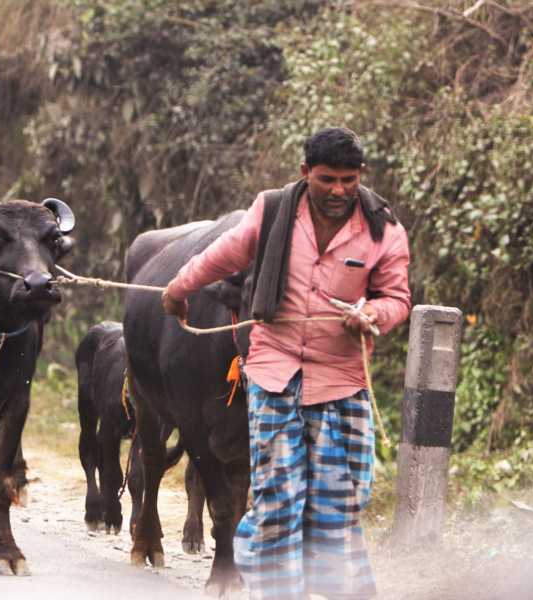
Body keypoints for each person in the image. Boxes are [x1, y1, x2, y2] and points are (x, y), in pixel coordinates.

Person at [162, 127, 411, 599]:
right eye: (327, 179)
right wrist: (179, 288)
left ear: (360, 176)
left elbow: (397, 296)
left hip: (341, 379)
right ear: (305, 174)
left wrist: (374, 313)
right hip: (274, 373)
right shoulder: (273, 210)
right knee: (279, 496)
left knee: (344, 498)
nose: (338, 190)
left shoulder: (384, 229)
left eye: (348, 180)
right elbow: (223, 254)